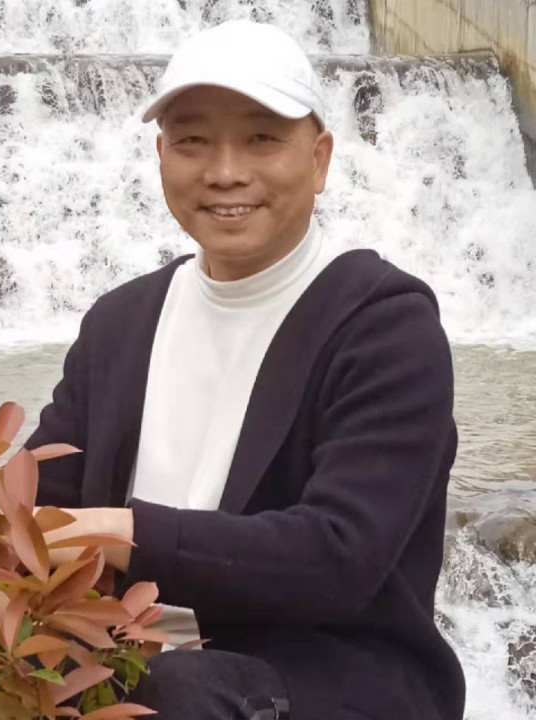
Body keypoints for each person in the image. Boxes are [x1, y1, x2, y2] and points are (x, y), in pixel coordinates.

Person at [25, 20, 466, 720]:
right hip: (122, 660)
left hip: (322, 681)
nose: (225, 171)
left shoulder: (385, 328)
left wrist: (118, 532)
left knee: (178, 692)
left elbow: (338, 557)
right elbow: (28, 502)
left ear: (319, 159)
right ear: (162, 155)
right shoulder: (120, 323)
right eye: (193, 141)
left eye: (262, 138)